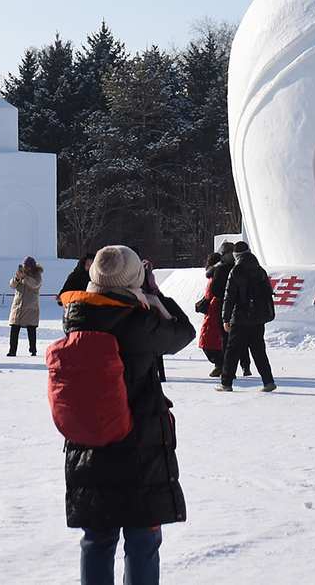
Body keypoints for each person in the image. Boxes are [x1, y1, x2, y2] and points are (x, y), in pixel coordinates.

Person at [59, 245, 194, 585]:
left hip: (88, 445)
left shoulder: (75, 319)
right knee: (142, 540)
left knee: (97, 539)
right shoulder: (140, 323)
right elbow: (183, 332)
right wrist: (153, 293)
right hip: (139, 446)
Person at [217, 241, 276, 392]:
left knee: (232, 351)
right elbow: (268, 292)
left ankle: (226, 383)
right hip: (257, 318)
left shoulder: (236, 271)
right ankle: (268, 381)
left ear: (236, 255)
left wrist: (225, 318)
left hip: (240, 317)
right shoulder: (260, 270)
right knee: (259, 350)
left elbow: (229, 297)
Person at [210, 241, 250, 378]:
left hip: (225, 305)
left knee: (227, 339)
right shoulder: (242, 267)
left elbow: (214, 289)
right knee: (243, 337)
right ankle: (246, 365)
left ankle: (228, 370)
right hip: (241, 305)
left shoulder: (220, 269)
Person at [196, 252, 226, 376]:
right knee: (216, 340)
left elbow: (211, 295)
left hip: (213, 313)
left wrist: (206, 305)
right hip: (216, 312)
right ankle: (222, 365)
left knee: (208, 341)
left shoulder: (214, 277)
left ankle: (220, 364)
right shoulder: (221, 275)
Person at [8, 257, 43, 356]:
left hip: (31, 307)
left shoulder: (37, 276)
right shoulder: (21, 275)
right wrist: (17, 279)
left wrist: (25, 278)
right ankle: (12, 350)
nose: (25, 268)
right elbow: (11, 285)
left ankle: (33, 350)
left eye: (26, 267)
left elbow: (35, 284)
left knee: (31, 329)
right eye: (23, 266)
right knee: (14, 328)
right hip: (18, 305)